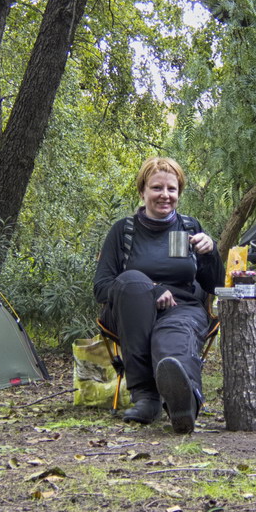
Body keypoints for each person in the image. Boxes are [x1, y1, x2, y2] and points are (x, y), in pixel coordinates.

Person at [94, 157, 224, 434]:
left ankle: (186, 402)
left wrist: (211, 252)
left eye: (172, 189)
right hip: (131, 313)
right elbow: (102, 287)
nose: (165, 195)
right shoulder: (123, 231)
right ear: (142, 192)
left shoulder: (190, 227)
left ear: (179, 193)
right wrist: (150, 289)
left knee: (173, 337)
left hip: (183, 308)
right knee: (132, 281)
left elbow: (213, 285)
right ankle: (146, 397)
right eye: (156, 188)